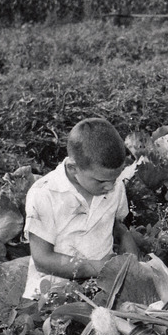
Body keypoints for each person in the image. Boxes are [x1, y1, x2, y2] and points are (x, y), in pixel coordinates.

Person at [22, 118, 139, 299]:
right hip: (51, 292)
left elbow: (118, 226)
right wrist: (98, 267)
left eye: (114, 179)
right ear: (73, 167)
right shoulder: (44, 194)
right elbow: (42, 260)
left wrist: (131, 257)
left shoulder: (115, 187)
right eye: (101, 181)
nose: (110, 187)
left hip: (104, 285)